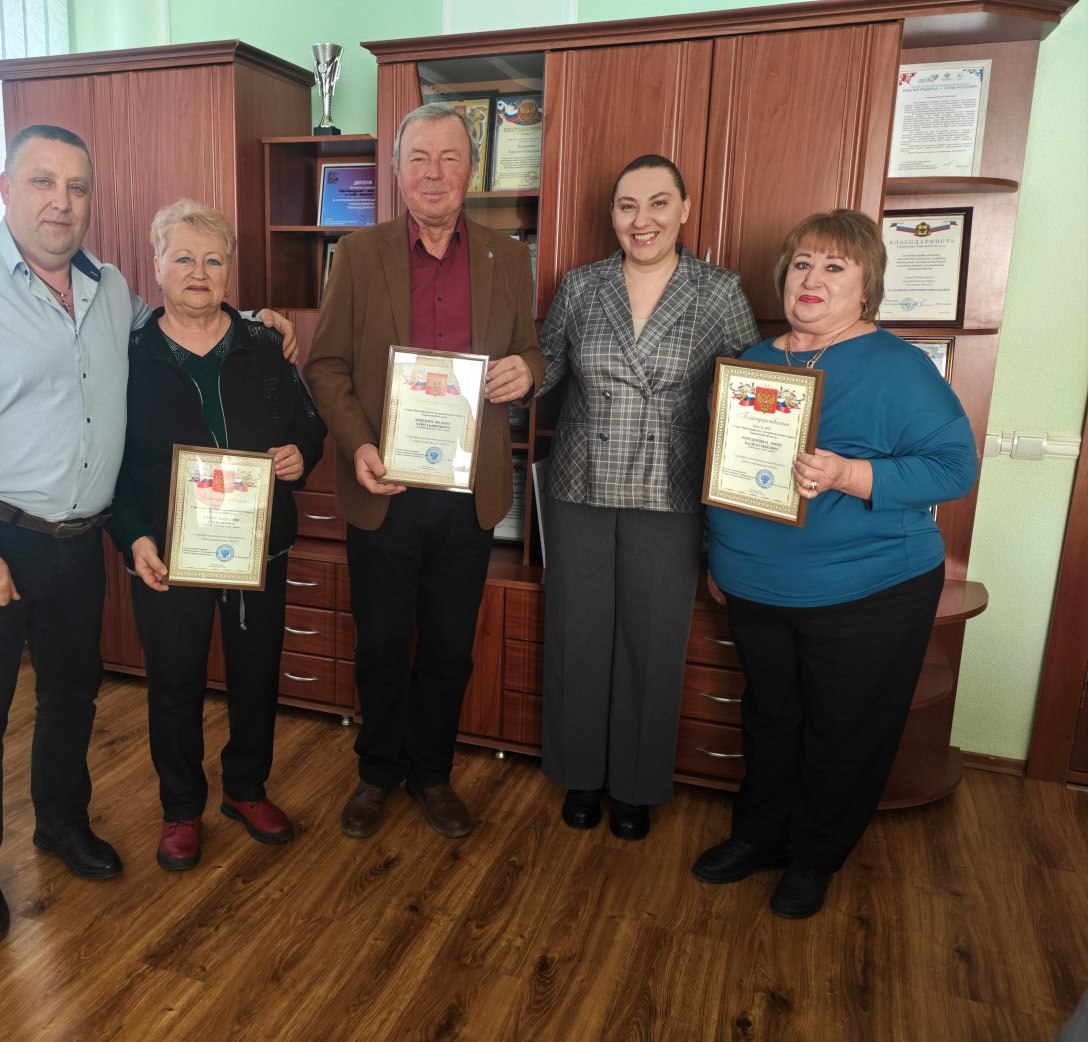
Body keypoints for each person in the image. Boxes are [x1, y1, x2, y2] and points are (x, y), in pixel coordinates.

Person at [0, 125, 297, 941]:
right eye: (43, 182)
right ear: (6, 189)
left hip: (80, 539)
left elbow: (182, 318)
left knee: (72, 695)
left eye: (77, 187)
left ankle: (62, 825)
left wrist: (254, 318)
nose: (61, 202)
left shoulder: (110, 290)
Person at [693, 209, 978, 918]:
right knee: (770, 719)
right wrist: (720, 556)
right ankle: (759, 837)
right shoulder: (754, 362)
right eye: (801, 264)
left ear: (866, 286)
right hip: (755, 586)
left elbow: (955, 467)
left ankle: (814, 857)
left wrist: (852, 475)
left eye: (833, 266)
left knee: (842, 733)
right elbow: (724, 470)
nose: (811, 279)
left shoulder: (898, 368)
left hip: (868, 590)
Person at [304, 103, 543, 840]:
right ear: (397, 170)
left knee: (447, 646)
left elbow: (532, 353)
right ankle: (378, 772)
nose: (433, 173)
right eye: (419, 158)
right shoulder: (358, 253)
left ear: (471, 170)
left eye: (449, 158)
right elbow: (325, 365)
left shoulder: (509, 258)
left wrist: (526, 373)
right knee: (380, 643)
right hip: (384, 486)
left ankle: (432, 772)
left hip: (469, 495)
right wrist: (358, 446)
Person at [537, 154, 759, 841]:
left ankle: (634, 786)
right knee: (576, 633)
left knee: (653, 640)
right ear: (612, 215)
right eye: (628, 205)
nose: (643, 220)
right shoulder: (581, 285)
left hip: (671, 488)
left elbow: (748, 393)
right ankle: (580, 774)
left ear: (684, 210)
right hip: (579, 484)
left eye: (659, 203)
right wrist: (504, 375)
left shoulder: (718, 291)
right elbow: (546, 366)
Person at [108, 200, 325, 870]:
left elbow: (309, 424)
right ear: (156, 265)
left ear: (230, 269)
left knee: (256, 674)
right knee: (174, 682)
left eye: (212, 259)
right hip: (169, 552)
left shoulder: (264, 344)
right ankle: (181, 808)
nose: (198, 273)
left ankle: (246, 789)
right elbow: (111, 461)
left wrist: (299, 454)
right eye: (183, 258)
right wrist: (135, 536)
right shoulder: (130, 356)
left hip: (258, 547)